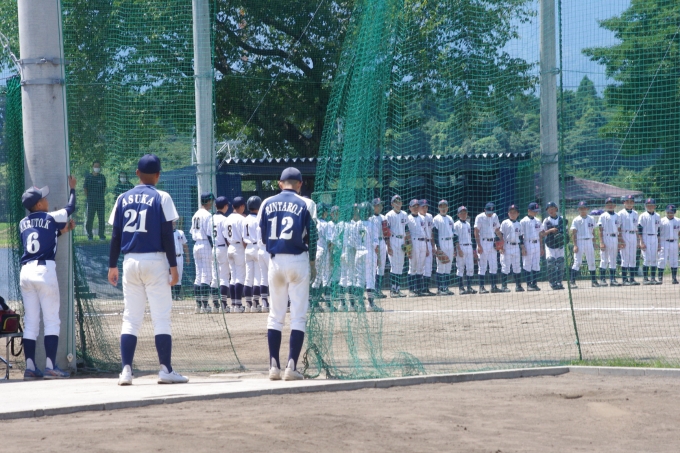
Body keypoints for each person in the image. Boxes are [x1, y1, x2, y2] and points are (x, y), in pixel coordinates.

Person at [108, 154, 188, 385]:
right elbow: (167, 235)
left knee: (130, 318)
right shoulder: (162, 196)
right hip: (155, 261)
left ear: (137, 173)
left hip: (130, 261)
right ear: (158, 175)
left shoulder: (122, 197)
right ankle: (165, 370)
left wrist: (112, 265)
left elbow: (116, 235)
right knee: (161, 318)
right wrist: (174, 266)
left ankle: (126, 371)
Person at [258, 167, 317, 381]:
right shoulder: (307, 203)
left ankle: (273, 366)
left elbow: (263, 236)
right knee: (298, 316)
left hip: (276, 260)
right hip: (298, 259)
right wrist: (313, 263)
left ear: (280, 183)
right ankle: (291, 366)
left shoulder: (267, 202)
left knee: (275, 316)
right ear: (300, 184)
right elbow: (313, 235)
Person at [19, 176, 77, 380]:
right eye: (43, 198)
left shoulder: (22, 223)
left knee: (31, 322)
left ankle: (30, 367)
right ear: (38, 204)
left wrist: (63, 231)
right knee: (52, 321)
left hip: (26, 273)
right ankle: (51, 367)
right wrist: (72, 190)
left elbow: (41, 238)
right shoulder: (50, 218)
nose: (46, 200)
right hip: (44, 271)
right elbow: (70, 208)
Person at [349, 202, 383, 311]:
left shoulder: (356, 224)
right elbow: (375, 244)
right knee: (370, 279)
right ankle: (371, 305)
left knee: (359, 279)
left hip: (359, 253)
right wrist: (378, 257)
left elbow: (352, 242)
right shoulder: (372, 225)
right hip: (370, 254)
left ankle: (360, 305)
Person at [190, 193, 214, 314]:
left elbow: (192, 232)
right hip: (205, 243)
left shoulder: (196, 214)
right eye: (212, 201)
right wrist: (213, 247)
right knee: (206, 275)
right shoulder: (208, 215)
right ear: (208, 201)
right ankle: (205, 305)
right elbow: (210, 234)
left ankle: (198, 305)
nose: (212, 203)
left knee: (198, 275)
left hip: (196, 245)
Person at [222, 196, 247, 312]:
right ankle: (238, 304)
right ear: (241, 206)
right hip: (239, 247)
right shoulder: (242, 219)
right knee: (240, 277)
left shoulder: (227, 219)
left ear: (232, 206)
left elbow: (225, 237)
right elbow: (244, 237)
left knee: (233, 277)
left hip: (230, 246)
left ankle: (233, 304)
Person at [474, 202, 503, 293]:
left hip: (493, 242)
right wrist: (479, 245)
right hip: (483, 242)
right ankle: (481, 287)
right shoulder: (479, 217)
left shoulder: (495, 216)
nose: (490, 213)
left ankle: (493, 286)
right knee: (482, 265)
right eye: (488, 212)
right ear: (484, 210)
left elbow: (497, 230)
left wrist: (502, 240)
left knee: (494, 265)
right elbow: (476, 231)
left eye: (491, 212)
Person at [569, 201, 600, 288]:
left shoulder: (591, 218)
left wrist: (594, 242)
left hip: (589, 241)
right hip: (580, 241)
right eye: (581, 208)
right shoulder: (576, 220)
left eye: (584, 208)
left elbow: (593, 231)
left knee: (591, 261)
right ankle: (572, 282)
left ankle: (594, 281)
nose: (583, 210)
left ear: (587, 209)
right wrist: (575, 245)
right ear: (578, 209)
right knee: (577, 262)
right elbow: (574, 233)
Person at [385, 195, 409, 298]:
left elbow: (406, 229)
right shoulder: (389, 215)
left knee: (400, 266)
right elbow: (386, 232)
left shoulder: (404, 214)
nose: (398, 203)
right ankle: (392, 290)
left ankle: (398, 289)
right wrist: (388, 246)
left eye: (399, 201)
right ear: (392, 204)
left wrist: (407, 244)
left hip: (402, 240)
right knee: (394, 266)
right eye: (396, 202)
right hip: (393, 240)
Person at [243, 196, 263, 312]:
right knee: (257, 277)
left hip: (247, 247)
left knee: (248, 277)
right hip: (256, 247)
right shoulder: (258, 219)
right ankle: (255, 304)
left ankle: (248, 303)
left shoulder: (245, 219)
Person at [542, 201, 567, 290]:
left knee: (561, 262)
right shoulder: (546, 220)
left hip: (560, 245)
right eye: (549, 209)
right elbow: (542, 234)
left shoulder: (562, 219)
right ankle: (552, 282)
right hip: (550, 245)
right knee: (551, 262)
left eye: (552, 209)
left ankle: (559, 282)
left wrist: (564, 237)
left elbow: (566, 232)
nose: (551, 210)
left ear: (556, 209)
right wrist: (550, 230)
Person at [211, 196, 231, 313]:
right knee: (224, 276)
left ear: (215, 206)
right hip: (223, 248)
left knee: (215, 277)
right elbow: (227, 237)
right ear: (226, 206)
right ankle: (223, 304)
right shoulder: (225, 219)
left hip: (213, 247)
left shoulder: (211, 218)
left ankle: (215, 304)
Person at [597, 197, 622, 286]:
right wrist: (601, 242)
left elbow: (619, 229)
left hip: (614, 237)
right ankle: (602, 279)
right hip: (606, 237)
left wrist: (619, 241)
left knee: (613, 259)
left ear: (615, 205)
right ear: (605, 205)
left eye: (612, 204)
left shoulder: (617, 216)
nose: (610, 205)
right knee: (604, 259)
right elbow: (600, 230)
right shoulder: (603, 216)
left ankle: (612, 279)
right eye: (608, 204)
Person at [432, 200, 455, 295]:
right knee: (441, 266)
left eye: (445, 206)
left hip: (450, 242)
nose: (443, 208)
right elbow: (435, 233)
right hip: (441, 242)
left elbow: (454, 233)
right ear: (438, 208)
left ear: (447, 208)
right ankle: (440, 289)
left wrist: (455, 247)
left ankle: (445, 288)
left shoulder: (450, 218)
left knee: (448, 266)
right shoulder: (436, 218)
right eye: (441, 206)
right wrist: (438, 247)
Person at [311, 202, 331, 307]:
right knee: (324, 277)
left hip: (314, 252)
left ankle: (313, 302)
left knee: (315, 277)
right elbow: (329, 242)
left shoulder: (314, 222)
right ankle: (325, 303)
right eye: (326, 211)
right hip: (323, 252)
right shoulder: (325, 224)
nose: (327, 213)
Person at [407, 199, 429, 296]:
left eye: (417, 206)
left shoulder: (422, 218)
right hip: (413, 242)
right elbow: (406, 234)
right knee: (413, 266)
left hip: (423, 242)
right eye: (413, 206)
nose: (416, 208)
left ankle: (419, 289)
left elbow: (425, 233)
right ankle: (411, 290)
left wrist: (427, 247)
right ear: (410, 207)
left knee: (421, 267)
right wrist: (408, 249)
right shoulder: (408, 218)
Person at [520, 202, 543, 291]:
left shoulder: (538, 220)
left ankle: (534, 284)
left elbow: (540, 234)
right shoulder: (523, 221)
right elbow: (520, 235)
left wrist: (541, 247)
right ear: (529, 210)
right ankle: (528, 284)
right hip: (527, 243)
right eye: (534, 211)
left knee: (536, 264)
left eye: (536, 211)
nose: (536, 212)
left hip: (536, 243)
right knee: (527, 264)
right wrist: (523, 247)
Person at [638, 198, 662, 285]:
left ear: (655, 206)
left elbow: (658, 230)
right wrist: (641, 242)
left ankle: (653, 278)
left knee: (654, 258)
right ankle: (645, 278)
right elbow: (639, 229)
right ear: (645, 206)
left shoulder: (657, 216)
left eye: (652, 205)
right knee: (646, 259)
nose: (650, 206)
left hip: (654, 237)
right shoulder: (643, 216)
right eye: (648, 205)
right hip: (645, 237)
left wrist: (659, 243)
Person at [454, 206, 477, 295]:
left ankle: (469, 287)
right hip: (461, 246)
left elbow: (470, 237)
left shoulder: (468, 224)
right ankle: (461, 288)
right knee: (460, 268)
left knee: (470, 268)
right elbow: (455, 238)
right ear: (458, 214)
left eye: (465, 213)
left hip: (469, 246)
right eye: (462, 213)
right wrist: (458, 249)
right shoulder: (456, 224)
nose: (464, 214)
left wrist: (473, 250)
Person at [500, 204, 522, 292]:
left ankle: (518, 286)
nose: (512, 214)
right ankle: (504, 286)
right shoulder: (505, 222)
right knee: (505, 266)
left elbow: (521, 237)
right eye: (511, 212)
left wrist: (523, 248)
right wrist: (501, 247)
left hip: (516, 246)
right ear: (508, 213)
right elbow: (500, 235)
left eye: (514, 212)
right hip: (506, 245)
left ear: (518, 213)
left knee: (517, 266)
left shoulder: (519, 224)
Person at [618, 195, 640, 285]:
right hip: (625, 234)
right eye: (627, 202)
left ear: (633, 203)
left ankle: (632, 279)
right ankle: (624, 279)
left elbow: (637, 228)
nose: (629, 203)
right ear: (624, 203)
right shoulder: (620, 213)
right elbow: (618, 227)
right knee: (625, 258)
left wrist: (638, 240)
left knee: (633, 257)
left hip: (633, 234)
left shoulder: (635, 213)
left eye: (631, 202)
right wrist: (620, 239)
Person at [84, 160, 107, 240]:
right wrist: (89, 198)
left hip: (100, 201)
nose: (97, 168)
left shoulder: (102, 177)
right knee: (90, 218)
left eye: (98, 166)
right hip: (91, 201)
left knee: (101, 218)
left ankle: (101, 235)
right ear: (93, 167)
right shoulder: (88, 177)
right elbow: (85, 188)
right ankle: (90, 235)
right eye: (95, 166)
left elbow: (104, 188)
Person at [658, 204, 680, 284]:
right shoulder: (661, 221)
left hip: (674, 241)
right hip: (664, 242)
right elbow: (658, 233)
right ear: (666, 212)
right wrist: (658, 243)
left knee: (674, 260)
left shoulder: (678, 220)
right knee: (662, 259)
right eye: (668, 212)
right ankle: (660, 278)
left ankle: (674, 278)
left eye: (672, 212)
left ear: (674, 212)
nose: (670, 213)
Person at [371, 198, 388, 299]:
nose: (380, 207)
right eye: (378, 205)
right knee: (374, 266)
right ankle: (372, 289)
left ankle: (378, 289)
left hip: (382, 241)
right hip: (374, 243)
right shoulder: (370, 218)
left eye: (381, 205)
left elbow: (386, 232)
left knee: (381, 267)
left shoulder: (383, 217)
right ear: (373, 206)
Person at [419, 199, 436, 296]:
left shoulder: (429, 216)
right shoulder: (418, 217)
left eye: (426, 207)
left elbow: (431, 232)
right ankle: (420, 288)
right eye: (423, 207)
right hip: (421, 243)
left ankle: (426, 288)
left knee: (429, 267)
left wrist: (433, 246)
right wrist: (426, 247)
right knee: (422, 267)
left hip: (429, 242)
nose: (425, 208)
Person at [171, 219, 190, 300]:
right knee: (170, 276)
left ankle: (177, 295)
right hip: (170, 258)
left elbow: (185, 245)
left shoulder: (180, 232)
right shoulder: (166, 233)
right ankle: (171, 295)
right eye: (172, 222)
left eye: (174, 222)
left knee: (179, 276)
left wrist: (187, 257)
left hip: (179, 256)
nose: (173, 223)